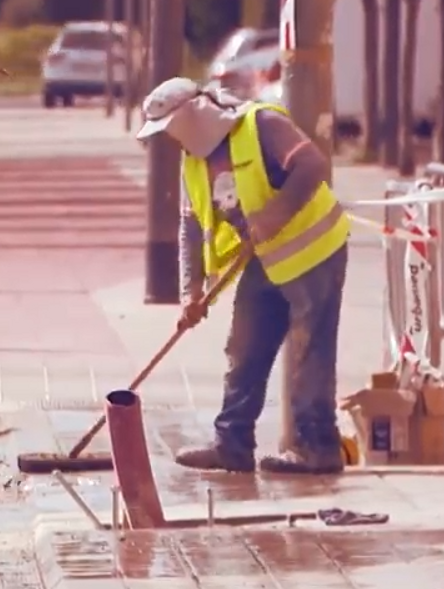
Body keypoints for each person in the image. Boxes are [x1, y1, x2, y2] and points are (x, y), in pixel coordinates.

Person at [136, 77, 351, 475]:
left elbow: (313, 165)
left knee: (309, 353)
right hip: (264, 261)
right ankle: (232, 444)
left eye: (168, 130)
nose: (168, 141)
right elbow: (192, 227)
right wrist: (192, 293)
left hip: (314, 252)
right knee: (245, 350)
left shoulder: (262, 125)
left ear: (191, 117)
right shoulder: (194, 161)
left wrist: (275, 214)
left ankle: (318, 448)